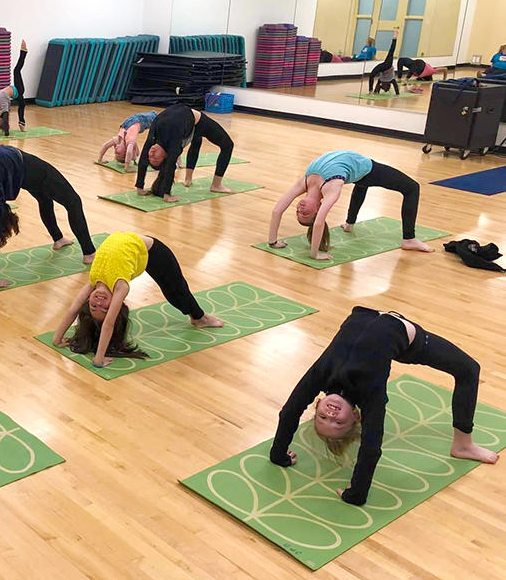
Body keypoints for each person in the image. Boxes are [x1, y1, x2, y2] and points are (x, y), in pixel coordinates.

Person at [270, 307, 498, 506]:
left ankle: (463, 445)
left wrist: (278, 454)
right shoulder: (370, 393)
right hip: (409, 342)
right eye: (338, 422)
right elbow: (371, 446)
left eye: (322, 418)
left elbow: (290, 411)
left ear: (317, 404)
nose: (331, 414)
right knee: (469, 369)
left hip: (370, 313)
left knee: (468, 370)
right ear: (356, 417)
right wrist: (357, 493)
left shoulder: (320, 376)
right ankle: (463, 445)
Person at [51, 232, 223, 368]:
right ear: (114, 308)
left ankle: (198, 317)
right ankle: (199, 317)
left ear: (88, 299)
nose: (99, 302)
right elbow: (109, 324)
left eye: (93, 305)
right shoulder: (121, 287)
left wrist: (57, 339)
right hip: (147, 252)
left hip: (150, 248)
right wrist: (99, 359)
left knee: (175, 290)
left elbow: (73, 309)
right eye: (104, 308)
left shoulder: (93, 281)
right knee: (175, 291)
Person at [0, 146, 97, 288]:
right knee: (52, 197)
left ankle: (66, 242)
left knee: (68, 200)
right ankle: (86, 253)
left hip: (20, 166)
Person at [267, 149, 434, 259]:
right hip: (367, 168)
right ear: (318, 208)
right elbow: (319, 223)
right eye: (305, 214)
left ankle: (349, 224)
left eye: (298, 213)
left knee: (361, 182)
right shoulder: (332, 189)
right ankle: (409, 239)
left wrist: (273, 242)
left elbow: (277, 210)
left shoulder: (305, 182)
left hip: (358, 168)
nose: (300, 209)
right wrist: (315, 253)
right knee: (412, 188)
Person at [135, 104, 236, 200]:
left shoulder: (153, 139)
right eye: (155, 158)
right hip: (192, 121)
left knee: (205, 140)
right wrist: (167, 194)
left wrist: (139, 187)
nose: (151, 153)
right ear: (165, 155)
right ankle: (207, 184)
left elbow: (144, 157)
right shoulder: (173, 145)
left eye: (151, 157)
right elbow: (170, 165)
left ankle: (202, 182)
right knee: (227, 145)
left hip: (189, 120)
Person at [0, 41, 27, 134]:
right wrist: (6, 132)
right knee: (16, 70)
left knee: (22, 104)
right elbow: (5, 116)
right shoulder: (2, 111)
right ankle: (23, 52)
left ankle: (22, 123)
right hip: (17, 90)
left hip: (15, 92)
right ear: (0, 119)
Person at [368, 30, 399, 94]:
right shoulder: (391, 80)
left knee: (371, 75)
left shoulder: (382, 80)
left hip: (384, 67)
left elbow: (378, 85)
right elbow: (396, 86)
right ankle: (395, 37)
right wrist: (397, 94)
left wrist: (375, 92)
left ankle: (370, 90)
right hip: (387, 66)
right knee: (391, 52)